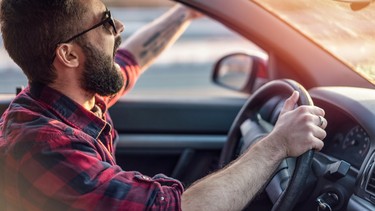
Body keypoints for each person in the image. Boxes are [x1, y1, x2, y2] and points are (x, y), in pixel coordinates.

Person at [0, 0, 327, 210]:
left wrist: (187, 11)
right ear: (69, 55)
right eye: (106, 23)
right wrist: (277, 144)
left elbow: (133, 58)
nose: (119, 29)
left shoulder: (73, 96)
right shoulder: (46, 147)